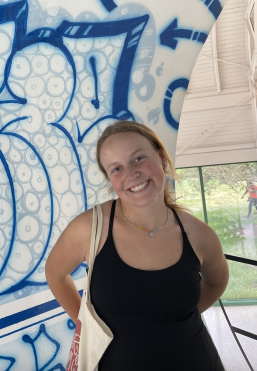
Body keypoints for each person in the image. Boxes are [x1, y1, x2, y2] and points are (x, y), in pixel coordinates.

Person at [45, 120, 229, 370]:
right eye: (116, 169)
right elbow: (55, 274)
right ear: (110, 180)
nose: (131, 174)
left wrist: (176, 317)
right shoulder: (89, 228)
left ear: (162, 158)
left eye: (139, 158)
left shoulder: (199, 234)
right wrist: (87, 324)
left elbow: (217, 282)